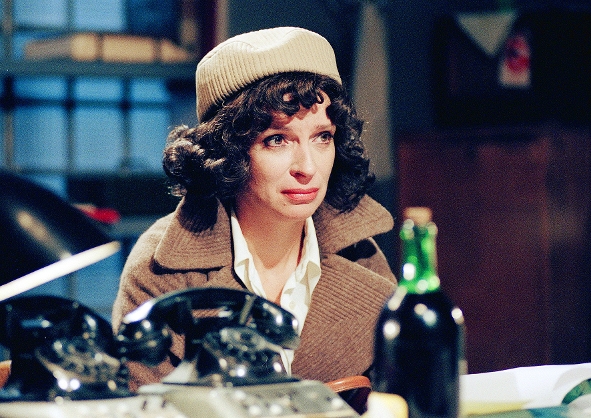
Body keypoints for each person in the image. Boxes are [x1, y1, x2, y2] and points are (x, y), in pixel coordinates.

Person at [112, 26, 396, 391]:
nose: (308, 167)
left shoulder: (362, 256)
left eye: (322, 137)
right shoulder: (158, 271)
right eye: (277, 140)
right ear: (227, 151)